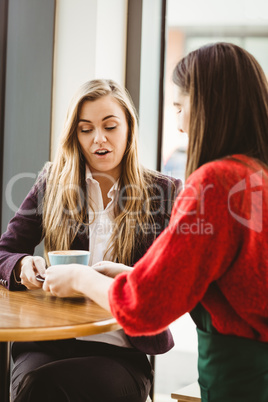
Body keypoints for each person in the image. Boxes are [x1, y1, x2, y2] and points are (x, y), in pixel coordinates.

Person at [41, 43, 268, 402]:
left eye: (180, 106)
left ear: (210, 104)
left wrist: (80, 277)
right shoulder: (256, 177)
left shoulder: (214, 182)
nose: (178, 123)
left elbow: (145, 307)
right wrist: (130, 275)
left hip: (239, 382)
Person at [0, 79, 181, 402]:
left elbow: (170, 285)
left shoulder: (163, 192)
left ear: (129, 128)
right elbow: (6, 250)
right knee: (36, 383)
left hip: (121, 353)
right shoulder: (52, 183)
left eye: (110, 126)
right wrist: (21, 265)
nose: (99, 139)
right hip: (47, 342)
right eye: (86, 130)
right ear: (75, 136)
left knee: (42, 387)